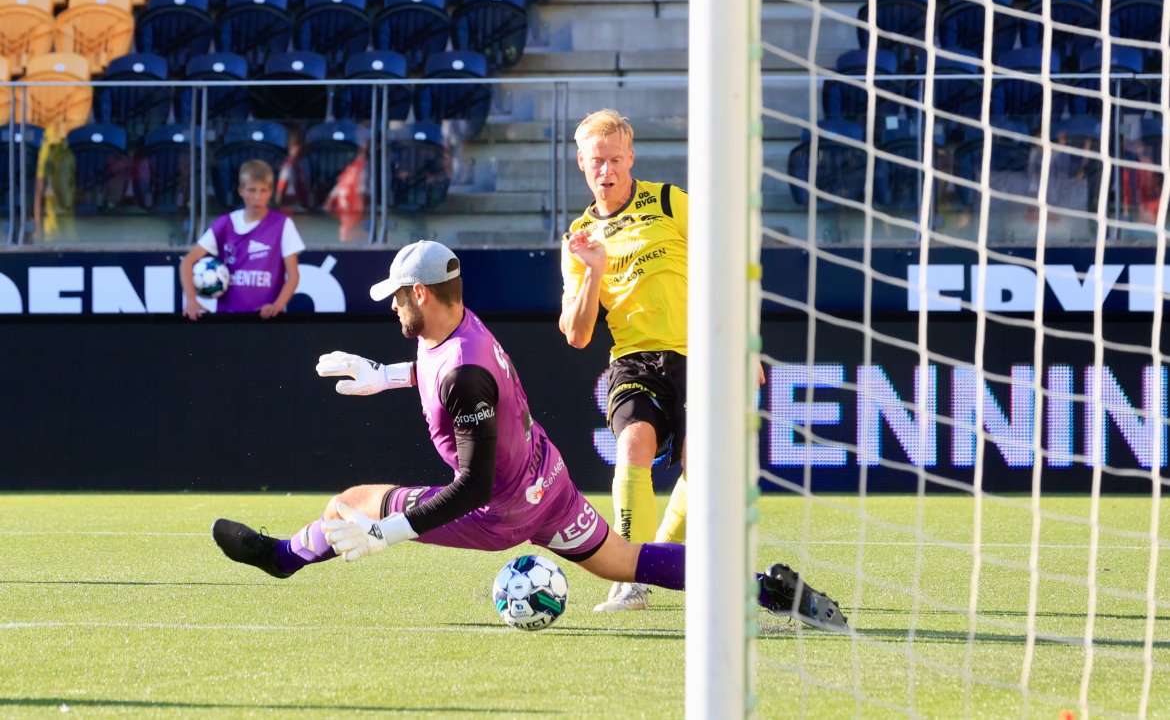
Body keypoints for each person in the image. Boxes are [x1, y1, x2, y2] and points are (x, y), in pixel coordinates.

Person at [210, 240, 848, 632]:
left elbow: (472, 486)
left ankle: (280, 559)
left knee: (349, 503)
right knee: (625, 561)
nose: (392, 307)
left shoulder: (463, 373)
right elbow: (444, 375)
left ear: (424, 294)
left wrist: (389, 530)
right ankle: (760, 586)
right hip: (550, 483)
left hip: (503, 508)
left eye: (397, 297)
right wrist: (384, 375)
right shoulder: (459, 328)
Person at [559, 109, 694, 612]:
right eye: (597, 161)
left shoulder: (668, 200)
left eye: (616, 158)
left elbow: (725, 262)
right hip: (634, 360)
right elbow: (576, 335)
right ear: (581, 163)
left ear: (631, 157)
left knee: (704, 465)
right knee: (634, 442)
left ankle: (657, 556)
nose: (607, 170)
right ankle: (630, 579)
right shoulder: (579, 236)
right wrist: (593, 270)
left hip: (698, 351)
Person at [179, 159, 304, 321]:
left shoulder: (283, 225)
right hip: (228, 318)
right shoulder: (226, 223)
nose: (257, 197)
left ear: (270, 192)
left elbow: (293, 275)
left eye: (263, 190)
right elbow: (187, 262)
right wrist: (191, 300)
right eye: (251, 190)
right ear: (240, 191)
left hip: (268, 319)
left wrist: (277, 306)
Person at [33, 124, 76, 244]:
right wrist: (38, 229)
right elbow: (39, 189)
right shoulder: (47, 147)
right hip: (51, 219)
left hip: (70, 219)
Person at [323, 147, 368, 242]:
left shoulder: (346, 175)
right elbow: (361, 197)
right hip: (351, 217)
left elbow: (327, 205)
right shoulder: (359, 172)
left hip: (348, 218)